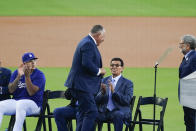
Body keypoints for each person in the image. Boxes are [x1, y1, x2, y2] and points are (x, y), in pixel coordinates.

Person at [65, 25, 106, 131]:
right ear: (98, 35)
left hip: (81, 85)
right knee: (91, 111)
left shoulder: (86, 41)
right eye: (103, 36)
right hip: (82, 86)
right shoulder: (88, 43)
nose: (103, 39)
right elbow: (86, 63)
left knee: (83, 113)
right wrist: (99, 71)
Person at [0, 52, 46, 131]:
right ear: (24, 64)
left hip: (35, 105)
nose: (33, 62)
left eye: (34, 60)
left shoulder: (39, 75)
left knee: (21, 104)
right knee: (1, 105)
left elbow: (31, 92)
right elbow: (11, 89)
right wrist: (18, 76)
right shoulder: (16, 73)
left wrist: (27, 77)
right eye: (30, 61)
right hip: (17, 102)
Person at [95, 57, 133, 131]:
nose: (114, 67)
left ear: (122, 68)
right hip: (104, 111)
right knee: (90, 113)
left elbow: (127, 100)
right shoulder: (104, 80)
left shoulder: (128, 83)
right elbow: (96, 100)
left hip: (119, 111)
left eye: (117, 65)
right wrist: (102, 93)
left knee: (118, 115)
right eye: (112, 65)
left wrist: (114, 92)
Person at [178, 35, 196, 131]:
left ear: (188, 46)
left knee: (191, 123)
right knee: (189, 122)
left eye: (181, 44)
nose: (179, 46)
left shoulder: (194, 58)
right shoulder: (187, 58)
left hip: (192, 97)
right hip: (187, 98)